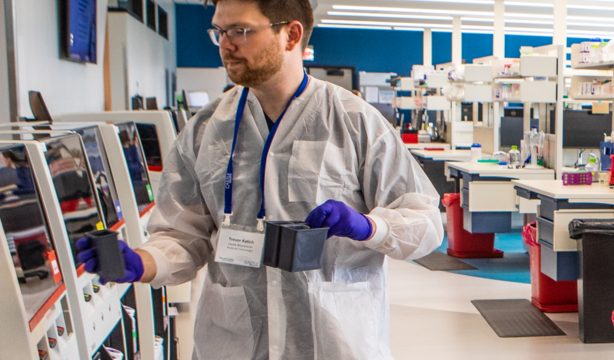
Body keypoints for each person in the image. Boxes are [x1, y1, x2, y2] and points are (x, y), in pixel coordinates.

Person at [74, 0, 443, 358]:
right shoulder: (206, 129)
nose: (225, 43)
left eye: (240, 30)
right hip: (233, 340)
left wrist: (367, 226)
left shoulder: (355, 122)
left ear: (291, 35)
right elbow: (182, 235)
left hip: (333, 338)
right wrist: (141, 263)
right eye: (219, 30)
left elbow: (425, 223)